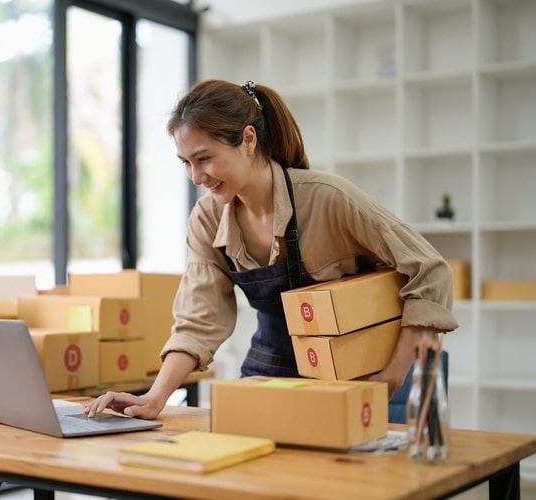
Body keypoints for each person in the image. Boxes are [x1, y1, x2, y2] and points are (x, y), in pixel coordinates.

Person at [84, 79, 458, 420]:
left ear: (248, 140)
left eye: (204, 158)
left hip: (362, 372)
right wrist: (154, 398)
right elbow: (200, 319)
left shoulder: (327, 197)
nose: (196, 177)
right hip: (271, 367)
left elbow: (431, 270)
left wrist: (392, 375)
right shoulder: (207, 219)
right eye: (186, 163)